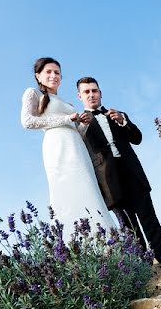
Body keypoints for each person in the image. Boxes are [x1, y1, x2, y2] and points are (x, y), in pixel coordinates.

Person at [75, 76, 161, 264]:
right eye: (86, 92)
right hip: (108, 179)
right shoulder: (79, 125)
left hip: (131, 171)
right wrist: (83, 127)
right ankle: (142, 263)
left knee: (147, 214)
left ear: (100, 93)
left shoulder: (118, 115)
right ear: (80, 97)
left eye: (94, 91)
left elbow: (137, 138)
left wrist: (123, 121)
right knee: (127, 224)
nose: (91, 95)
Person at [20, 58, 116, 236]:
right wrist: (67, 119)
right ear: (37, 76)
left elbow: (76, 131)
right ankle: (73, 241)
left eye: (57, 72)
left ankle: (105, 238)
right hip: (57, 147)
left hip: (78, 150)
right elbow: (27, 121)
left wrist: (83, 124)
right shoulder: (33, 93)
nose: (53, 75)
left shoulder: (63, 101)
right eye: (48, 72)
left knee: (88, 189)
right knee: (66, 190)